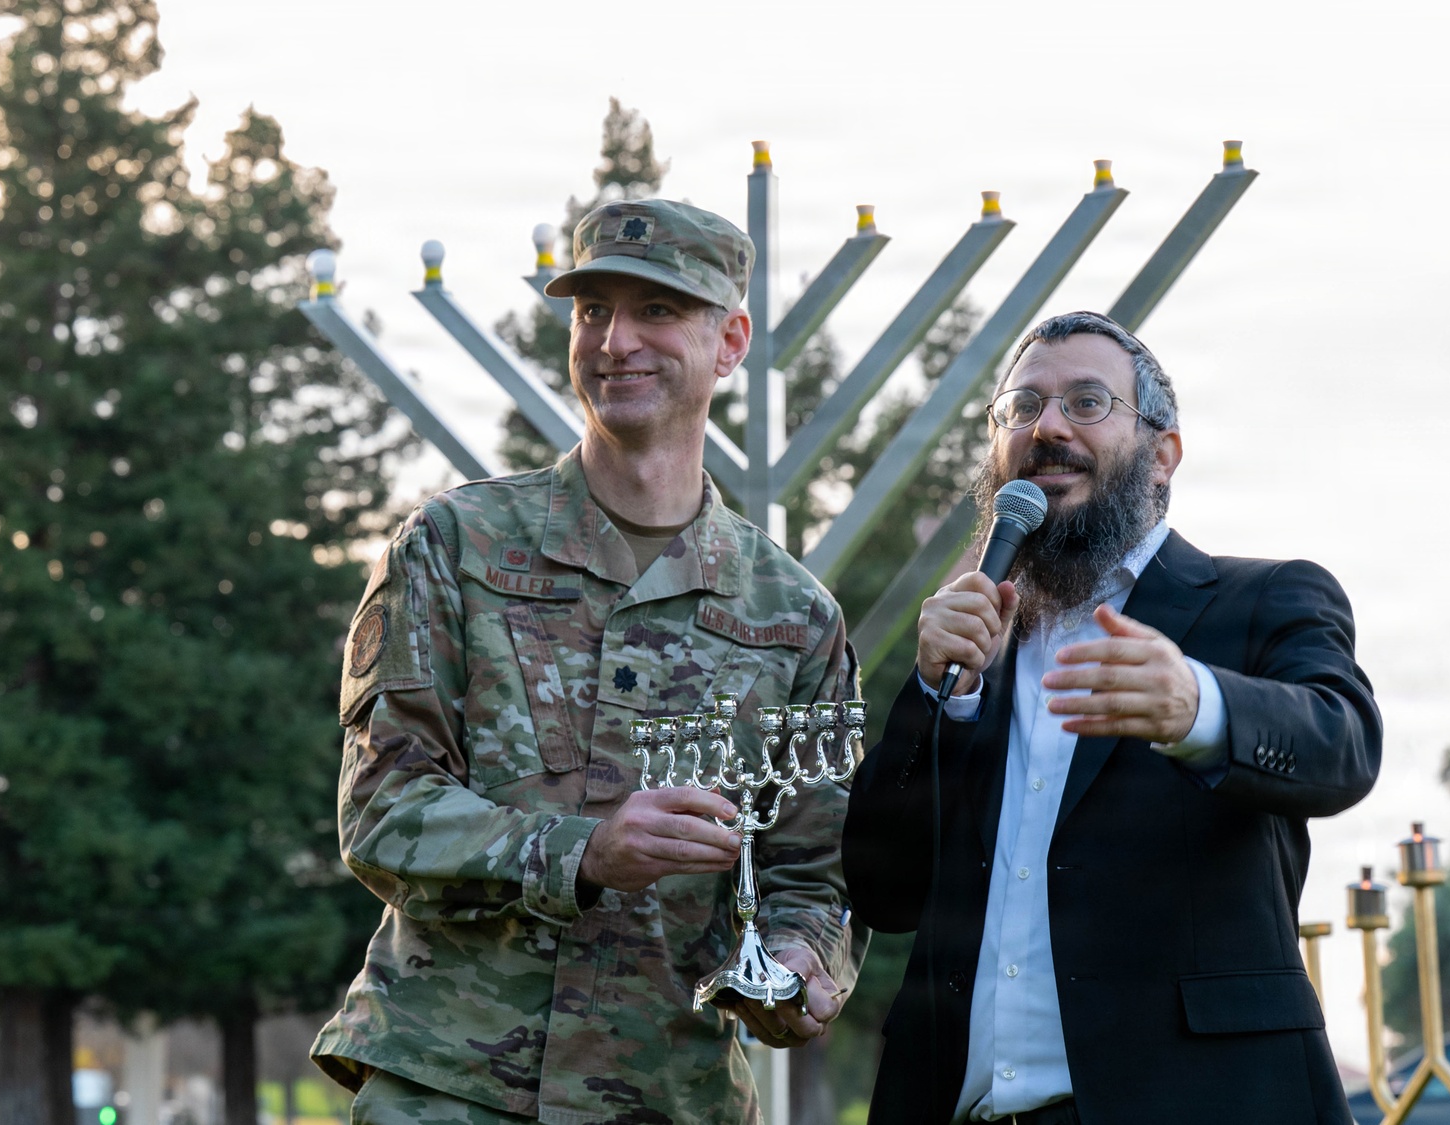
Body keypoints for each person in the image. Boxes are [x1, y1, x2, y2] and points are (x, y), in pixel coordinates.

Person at [312, 199, 862, 1125]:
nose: (616, 341)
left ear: (730, 342)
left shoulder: (794, 615)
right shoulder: (454, 546)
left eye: (656, 311)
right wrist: (584, 852)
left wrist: (804, 963)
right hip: (452, 1083)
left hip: (668, 1095)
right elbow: (381, 811)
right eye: (593, 309)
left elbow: (818, 872)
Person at [842, 311, 1380, 1124]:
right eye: (1020, 409)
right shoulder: (968, 650)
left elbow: (1343, 744)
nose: (1047, 427)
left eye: (1086, 402)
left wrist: (1199, 704)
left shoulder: (1260, 600)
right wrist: (937, 700)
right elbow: (882, 889)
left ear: (1162, 455)